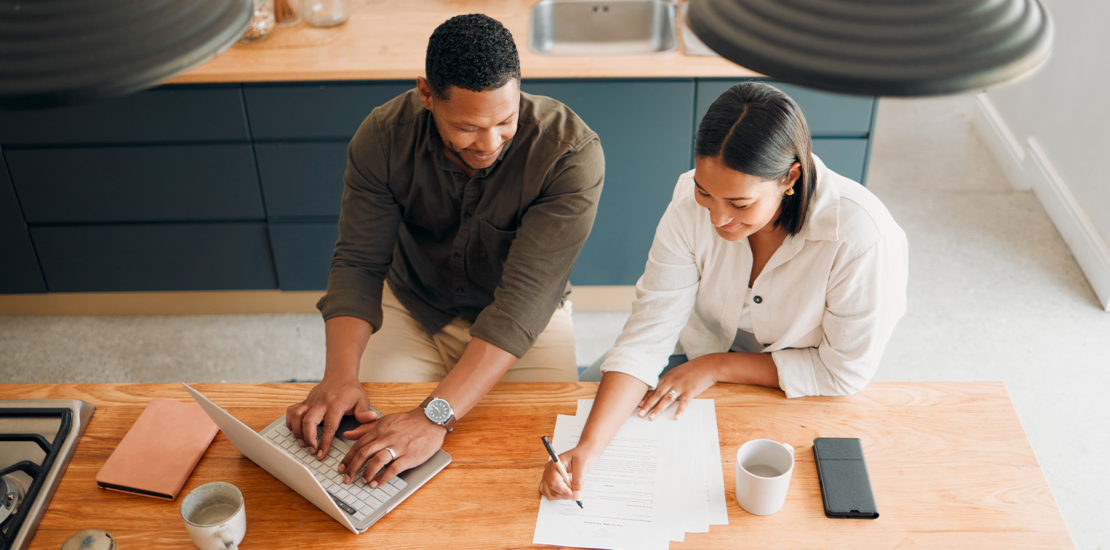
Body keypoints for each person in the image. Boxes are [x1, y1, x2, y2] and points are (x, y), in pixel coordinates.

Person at [539, 82, 908, 503]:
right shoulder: (689, 205)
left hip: (799, 376)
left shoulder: (860, 236)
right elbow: (648, 334)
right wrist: (588, 449)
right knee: (582, 399)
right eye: (704, 191)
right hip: (693, 347)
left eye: (740, 204)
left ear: (790, 177)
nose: (716, 218)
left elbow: (843, 371)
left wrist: (717, 367)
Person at [286, 14, 604, 490]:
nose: (490, 142)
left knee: (539, 458)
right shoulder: (383, 137)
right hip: (416, 304)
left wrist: (435, 415)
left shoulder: (569, 155)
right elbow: (358, 262)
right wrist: (338, 376)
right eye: (468, 127)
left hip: (527, 320)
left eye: (504, 120)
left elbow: (521, 306)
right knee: (372, 448)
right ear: (426, 95)